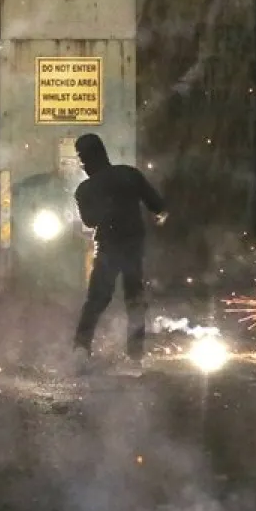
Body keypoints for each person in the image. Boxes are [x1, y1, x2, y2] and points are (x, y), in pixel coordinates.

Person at [70, 133, 166, 376]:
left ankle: (81, 350)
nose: (82, 163)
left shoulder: (85, 189)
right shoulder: (129, 174)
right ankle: (135, 358)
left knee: (97, 300)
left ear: (87, 159)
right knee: (134, 299)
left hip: (109, 247)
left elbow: (90, 222)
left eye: (82, 158)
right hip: (133, 247)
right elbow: (158, 205)